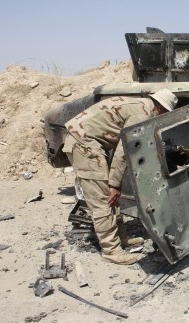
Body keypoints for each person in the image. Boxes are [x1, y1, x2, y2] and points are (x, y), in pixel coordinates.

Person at [62, 89, 178, 265]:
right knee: (102, 200)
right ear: (161, 109)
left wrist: (115, 184)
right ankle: (111, 250)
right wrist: (115, 184)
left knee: (111, 196)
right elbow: (124, 151)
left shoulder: (140, 104)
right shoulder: (142, 114)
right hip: (84, 144)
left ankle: (121, 238)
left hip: (91, 142)